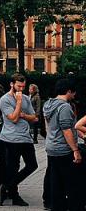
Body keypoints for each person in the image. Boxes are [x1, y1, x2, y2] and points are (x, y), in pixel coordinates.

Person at [0, 73, 38, 206]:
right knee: (13, 167)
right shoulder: (5, 99)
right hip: (10, 138)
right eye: (19, 86)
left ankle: (7, 185)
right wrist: (19, 102)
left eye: (23, 86)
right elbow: (13, 118)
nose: (21, 89)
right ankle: (14, 195)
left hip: (25, 137)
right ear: (12, 84)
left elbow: (34, 117)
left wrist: (24, 115)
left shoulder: (26, 98)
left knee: (32, 165)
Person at [44, 78, 81, 211]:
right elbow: (66, 130)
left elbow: (48, 126)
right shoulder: (64, 107)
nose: (74, 95)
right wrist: (75, 150)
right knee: (71, 181)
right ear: (69, 91)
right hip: (63, 148)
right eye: (73, 92)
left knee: (55, 181)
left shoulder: (48, 104)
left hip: (51, 146)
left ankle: (56, 206)